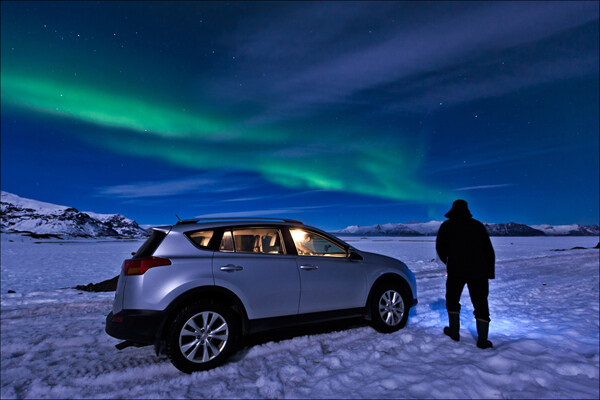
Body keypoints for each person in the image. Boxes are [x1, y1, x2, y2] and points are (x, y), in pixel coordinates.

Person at [436, 199, 495, 349]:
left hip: (456, 270)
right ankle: (482, 340)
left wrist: (448, 261)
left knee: (452, 299)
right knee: (481, 302)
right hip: (479, 271)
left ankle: (454, 332)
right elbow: (489, 250)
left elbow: (440, 248)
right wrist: (489, 272)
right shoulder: (477, 226)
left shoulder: (447, 226)